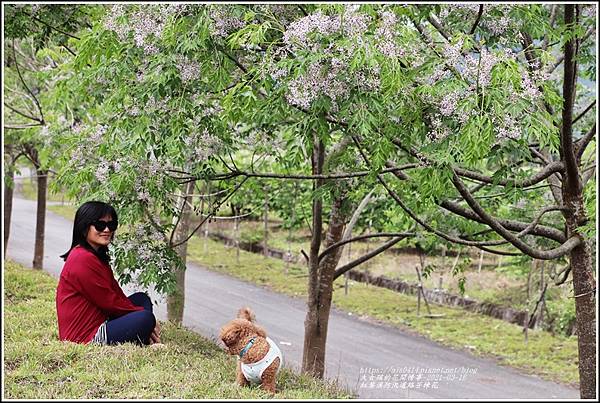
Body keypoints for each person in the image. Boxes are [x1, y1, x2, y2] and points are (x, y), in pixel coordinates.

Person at [56, 201, 161, 346]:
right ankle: (143, 337)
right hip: (85, 337)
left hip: (101, 320)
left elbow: (115, 291)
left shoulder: (96, 255)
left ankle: (143, 335)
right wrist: (144, 318)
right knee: (145, 318)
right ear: (84, 227)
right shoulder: (81, 258)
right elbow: (109, 301)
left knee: (142, 299)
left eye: (111, 225)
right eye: (100, 225)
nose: (106, 230)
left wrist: (137, 312)